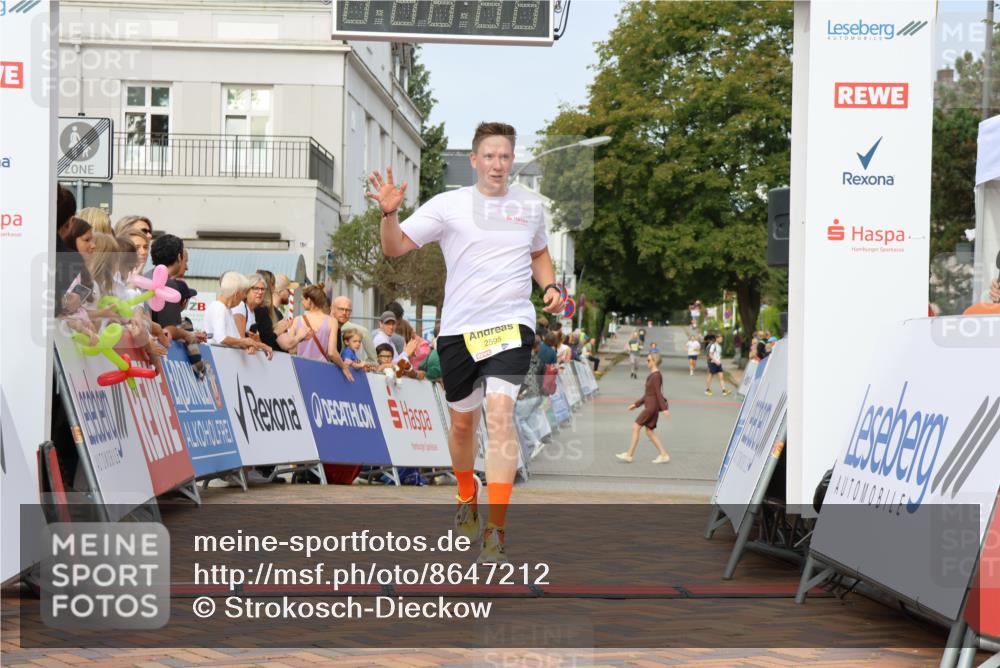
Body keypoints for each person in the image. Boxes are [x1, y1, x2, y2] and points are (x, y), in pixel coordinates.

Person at [369, 121, 564, 563]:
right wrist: (389, 214)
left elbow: (538, 253)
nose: (498, 164)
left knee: (500, 414)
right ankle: (464, 489)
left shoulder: (530, 208)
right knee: (463, 425)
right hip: (459, 330)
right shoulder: (449, 205)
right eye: (489, 156)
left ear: (512, 161)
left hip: (512, 324)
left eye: (505, 156)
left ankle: (495, 530)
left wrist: (552, 288)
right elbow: (395, 247)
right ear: (474, 160)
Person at [289, 285, 354, 382]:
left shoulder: (297, 320)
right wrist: (344, 367)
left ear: (310, 300)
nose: (301, 302)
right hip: (322, 371)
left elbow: (291, 349)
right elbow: (332, 352)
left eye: (303, 299)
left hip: (300, 370)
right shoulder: (332, 322)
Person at [616, 352, 671, 464]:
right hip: (651, 406)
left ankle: (629, 455)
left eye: (649, 360)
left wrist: (664, 408)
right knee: (649, 431)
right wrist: (636, 405)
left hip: (651, 407)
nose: (647, 362)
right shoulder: (653, 375)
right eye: (647, 360)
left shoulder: (656, 376)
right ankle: (664, 454)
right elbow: (648, 394)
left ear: (654, 361)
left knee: (635, 427)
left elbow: (657, 394)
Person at [204, 271, 272, 358]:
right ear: (236, 294)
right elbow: (221, 337)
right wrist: (245, 342)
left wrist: (261, 346)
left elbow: (238, 339)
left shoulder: (226, 309)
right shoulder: (219, 307)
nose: (244, 298)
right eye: (243, 294)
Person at [331, 295, 376, 361]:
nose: (344, 313)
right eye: (341, 309)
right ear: (332, 309)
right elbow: (331, 354)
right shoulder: (327, 326)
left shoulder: (339, 329)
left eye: (348, 310)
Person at [232, 273, 264, 338]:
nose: (260, 292)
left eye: (262, 289)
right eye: (256, 288)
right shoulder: (240, 306)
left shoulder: (252, 311)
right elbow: (240, 340)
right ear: (247, 290)